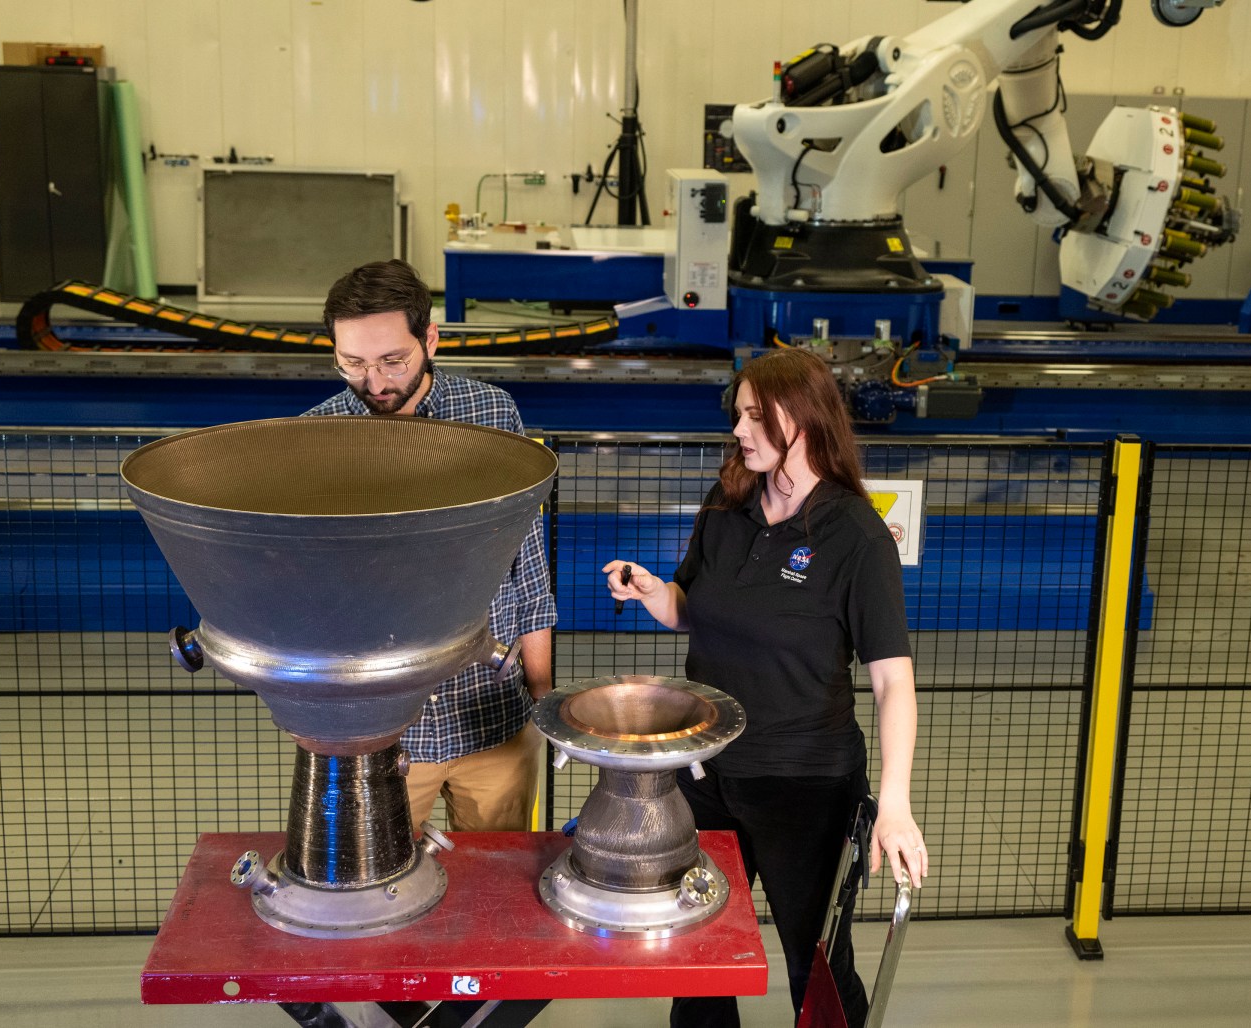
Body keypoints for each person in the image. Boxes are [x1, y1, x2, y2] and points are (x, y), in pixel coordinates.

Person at [603, 348, 928, 1028]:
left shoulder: (856, 537)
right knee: (696, 949)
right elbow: (692, 605)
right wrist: (653, 590)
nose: (740, 429)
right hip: (703, 769)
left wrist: (894, 804)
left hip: (802, 784)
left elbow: (894, 680)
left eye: (757, 415)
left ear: (803, 421)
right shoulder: (727, 506)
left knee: (815, 962)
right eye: (738, 414)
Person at [305, 258, 555, 831]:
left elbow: (528, 563)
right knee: (380, 898)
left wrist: (542, 693)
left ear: (431, 340)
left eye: (394, 360)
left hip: (490, 713)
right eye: (353, 364)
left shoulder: (492, 415)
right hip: (380, 732)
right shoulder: (313, 442)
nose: (376, 382)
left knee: (496, 892)